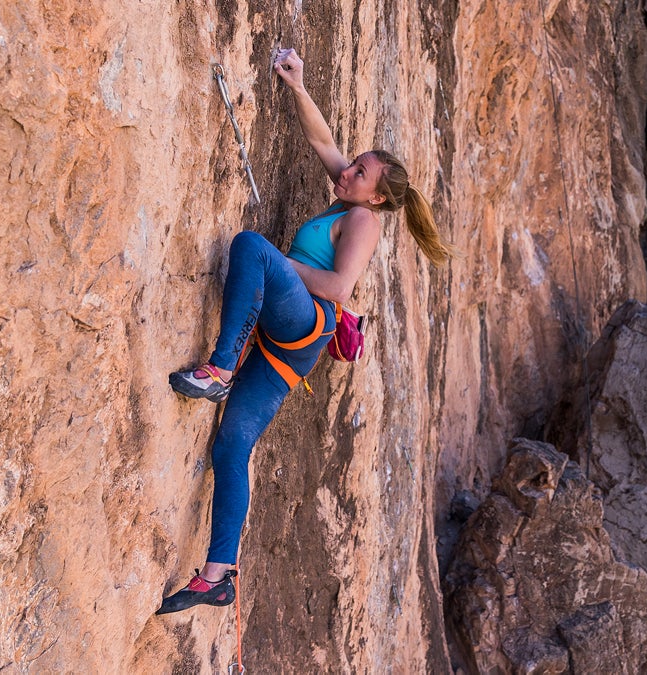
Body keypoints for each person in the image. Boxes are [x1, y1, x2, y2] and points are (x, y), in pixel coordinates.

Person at [156, 48, 451, 615]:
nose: (347, 171)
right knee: (232, 444)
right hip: (288, 353)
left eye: (359, 172)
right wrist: (296, 84)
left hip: (305, 324)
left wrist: (278, 264)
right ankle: (218, 576)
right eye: (354, 164)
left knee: (250, 246)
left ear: (379, 196)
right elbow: (323, 144)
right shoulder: (352, 197)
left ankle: (219, 369)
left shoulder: (362, 219)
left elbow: (340, 288)